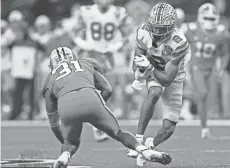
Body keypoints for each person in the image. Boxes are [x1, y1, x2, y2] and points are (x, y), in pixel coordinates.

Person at [42, 47, 172, 168]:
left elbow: (53, 123)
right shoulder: (85, 63)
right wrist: (96, 110)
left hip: (67, 104)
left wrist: (65, 140)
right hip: (89, 96)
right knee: (119, 133)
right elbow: (108, 89)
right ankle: (144, 151)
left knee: (70, 143)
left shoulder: (50, 78)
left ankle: (65, 156)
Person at [126, 2, 190, 165]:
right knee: (154, 93)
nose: (155, 31)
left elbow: (167, 79)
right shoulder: (143, 31)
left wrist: (150, 68)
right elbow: (137, 56)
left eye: (161, 28)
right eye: (154, 27)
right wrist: (139, 70)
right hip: (153, 69)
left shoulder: (179, 42)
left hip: (173, 77)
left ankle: (150, 145)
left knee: (168, 128)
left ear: (171, 27)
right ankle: (138, 141)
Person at [72, 0, 133, 141]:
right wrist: (83, 44)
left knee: (106, 91)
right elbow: (73, 30)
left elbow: (128, 33)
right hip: (91, 55)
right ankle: (94, 124)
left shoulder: (118, 13)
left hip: (108, 56)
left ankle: (95, 124)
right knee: (90, 90)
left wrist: (116, 46)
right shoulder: (87, 11)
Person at [184, 3, 228, 139]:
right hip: (195, 66)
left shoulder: (222, 34)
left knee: (206, 98)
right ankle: (186, 104)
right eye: (206, 18)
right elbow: (179, 45)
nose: (209, 21)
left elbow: (225, 53)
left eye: (212, 18)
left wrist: (221, 68)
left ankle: (204, 128)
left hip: (211, 69)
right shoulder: (191, 29)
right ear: (200, 17)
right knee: (203, 94)